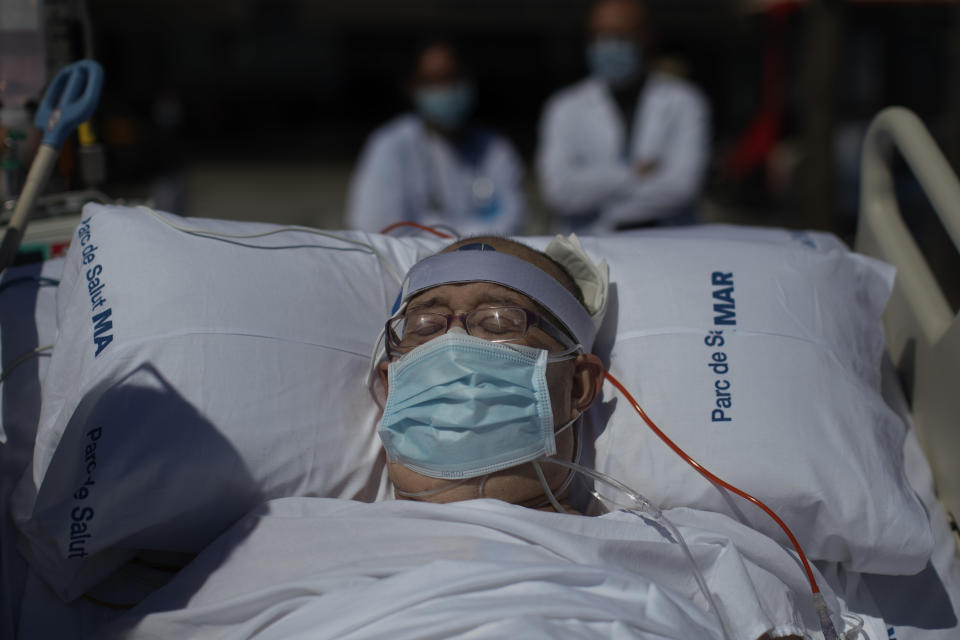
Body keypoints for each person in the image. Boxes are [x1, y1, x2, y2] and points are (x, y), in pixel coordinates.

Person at [375, 235, 605, 511]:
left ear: (578, 386)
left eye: (498, 323)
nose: (453, 345)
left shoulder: (641, 547)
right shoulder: (317, 534)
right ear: (391, 387)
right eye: (426, 328)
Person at [536, 0, 711, 232]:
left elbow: (682, 187)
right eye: (599, 36)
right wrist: (632, 174)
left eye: (620, 36)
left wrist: (600, 196)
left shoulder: (685, 102)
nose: (608, 46)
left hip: (668, 244)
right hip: (588, 249)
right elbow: (559, 192)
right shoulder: (564, 107)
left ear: (646, 37)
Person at [346, 42, 527, 236]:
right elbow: (376, 226)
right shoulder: (390, 146)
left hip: (488, 263)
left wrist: (436, 230)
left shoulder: (495, 147)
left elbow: (514, 219)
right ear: (413, 87)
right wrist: (474, 234)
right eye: (434, 81)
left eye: (453, 78)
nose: (446, 89)